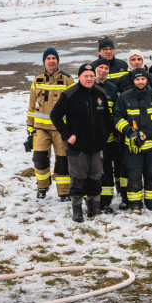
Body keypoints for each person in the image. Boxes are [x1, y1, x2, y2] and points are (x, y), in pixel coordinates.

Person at [49, 63, 111, 222]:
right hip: (78, 147)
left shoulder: (100, 93)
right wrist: (67, 134)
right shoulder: (70, 94)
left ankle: (94, 209)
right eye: (86, 76)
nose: (89, 78)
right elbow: (55, 115)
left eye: (91, 76)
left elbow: (107, 118)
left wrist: (104, 135)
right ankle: (77, 211)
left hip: (96, 146)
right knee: (78, 178)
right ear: (79, 77)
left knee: (95, 177)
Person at [113, 68, 152, 213]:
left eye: (143, 79)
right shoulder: (124, 97)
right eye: (137, 79)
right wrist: (127, 130)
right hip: (133, 147)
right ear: (133, 81)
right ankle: (135, 205)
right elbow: (116, 117)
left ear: (147, 80)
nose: (140, 82)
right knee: (134, 177)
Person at [27, 47, 75, 200]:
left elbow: (74, 106)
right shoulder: (37, 79)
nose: (51, 61)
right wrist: (29, 130)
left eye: (54, 58)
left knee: (62, 160)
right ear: (44, 61)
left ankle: (64, 192)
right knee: (39, 159)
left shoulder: (67, 79)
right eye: (48, 58)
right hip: (40, 129)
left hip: (60, 129)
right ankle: (42, 187)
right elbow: (31, 106)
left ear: (57, 61)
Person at [92, 60, 124, 212]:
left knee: (107, 170)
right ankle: (92, 200)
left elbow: (117, 112)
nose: (104, 70)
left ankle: (105, 202)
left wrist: (117, 131)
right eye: (101, 68)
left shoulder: (112, 88)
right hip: (91, 138)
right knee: (92, 170)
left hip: (110, 138)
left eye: (106, 68)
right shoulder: (87, 85)